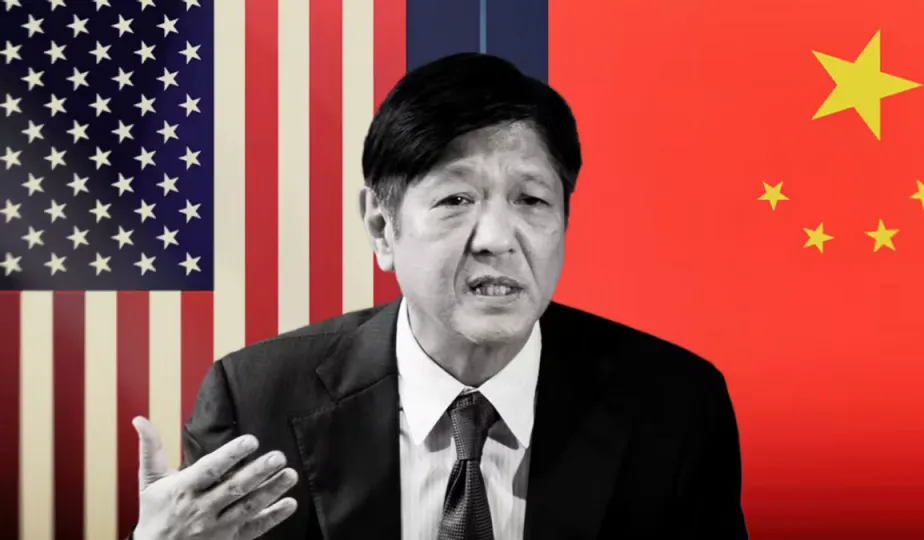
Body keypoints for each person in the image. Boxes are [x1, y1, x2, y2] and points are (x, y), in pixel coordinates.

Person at [130, 53, 749, 540]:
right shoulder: (256, 403)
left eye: (532, 200)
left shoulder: (674, 406)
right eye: (456, 199)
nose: (498, 239)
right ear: (382, 227)